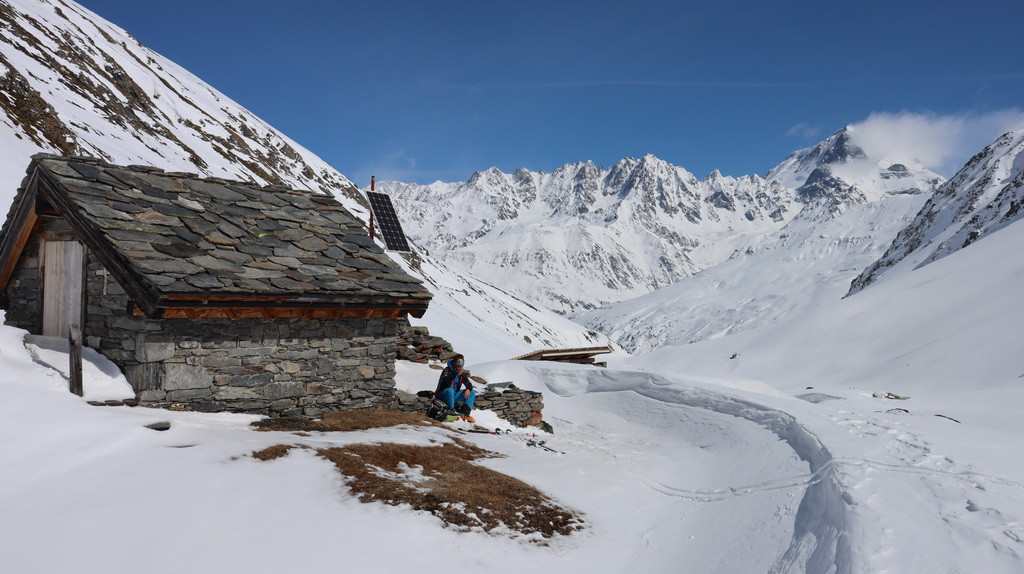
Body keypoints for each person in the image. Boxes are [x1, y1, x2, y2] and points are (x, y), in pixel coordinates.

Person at [434, 354, 476, 421]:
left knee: (472, 392)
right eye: (459, 363)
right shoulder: (447, 370)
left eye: (462, 363)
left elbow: (469, 384)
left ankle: (465, 413)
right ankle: (451, 412)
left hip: (453, 396)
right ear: (454, 363)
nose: (461, 365)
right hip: (442, 395)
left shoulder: (462, 373)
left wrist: (468, 389)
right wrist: (456, 374)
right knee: (450, 390)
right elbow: (445, 382)